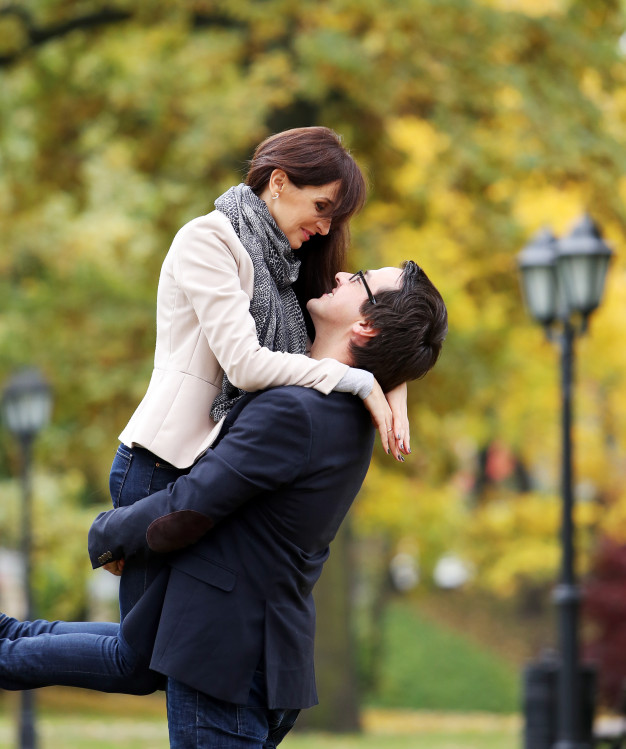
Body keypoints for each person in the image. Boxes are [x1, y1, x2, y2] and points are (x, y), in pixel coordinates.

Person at [0, 261, 448, 748]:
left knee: (129, 658)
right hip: (253, 655)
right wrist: (390, 378)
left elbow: (188, 508)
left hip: (225, 661)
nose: (339, 276)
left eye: (357, 278)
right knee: (130, 655)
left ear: (367, 324)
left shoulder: (297, 411)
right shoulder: (346, 412)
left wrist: (106, 533)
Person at [111, 126, 410, 626]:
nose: (326, 227)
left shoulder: (285, 269)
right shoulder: (208, 241)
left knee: (152, 659)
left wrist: (396, 384)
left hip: (200, 476)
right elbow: (246, 365)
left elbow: (369, 323)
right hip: (158, 467)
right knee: (140, 660)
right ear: (278, 182)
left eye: (334, 218)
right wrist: (360, 382)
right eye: (321, 207)